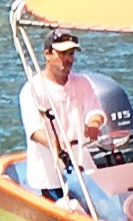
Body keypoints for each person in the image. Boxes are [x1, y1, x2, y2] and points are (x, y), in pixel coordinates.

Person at [19, 30, 105, 195]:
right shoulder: (32, 90)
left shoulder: (82, 83)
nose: (69, 59)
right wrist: (57, 145)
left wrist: (94, 123)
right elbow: (35, 131)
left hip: (81, 164)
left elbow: (96, 109)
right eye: (63, 53)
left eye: (71, 53)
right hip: (50, 173)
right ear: (47, 54)